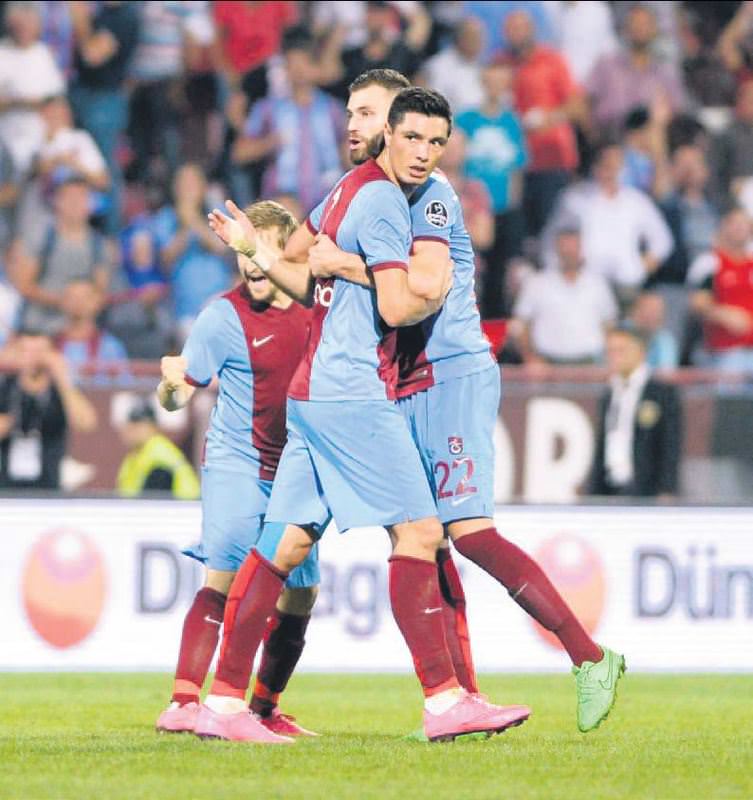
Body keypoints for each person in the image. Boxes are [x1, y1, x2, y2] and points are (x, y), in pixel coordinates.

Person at [261, 72, 624, 735]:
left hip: (452, 374)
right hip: (401, 381)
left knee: (467, 532)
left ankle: (589, 657)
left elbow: (421, 289)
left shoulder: (430, 199)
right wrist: (291, 255)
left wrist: (342, 264)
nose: (359, 125)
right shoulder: (362, 192)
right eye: (357, 114)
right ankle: (459, 697)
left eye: (370, 113)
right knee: (424, 541)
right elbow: (299, 255)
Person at [199, 87, 528, 744]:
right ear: (393, 133)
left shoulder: (342, 191)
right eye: (411, 136)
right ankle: (444, 700)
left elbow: (303, 274)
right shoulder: (381, 202)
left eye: (436, 143)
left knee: (284, 544)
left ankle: (226, 704)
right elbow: (401, 306)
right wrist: (422, 288)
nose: (423, 153)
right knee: (421, 533)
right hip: (352, 391)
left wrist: (261, 252)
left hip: (310, 392)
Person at [155, 200, 319, 739]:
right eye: (241, 249)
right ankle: (183, 702)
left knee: (301, 594)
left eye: (259, 247)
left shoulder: (318, 307)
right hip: (238, 460)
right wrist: (169, 387)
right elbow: (178, 397)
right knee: (223, 580)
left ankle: (265, 709)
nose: (249, 261)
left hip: (298, 465)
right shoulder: (221, 317)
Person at [232, 27, 345, 215]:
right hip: (284, 198)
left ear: (314, 67)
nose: (299, 71)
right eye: (292, 65)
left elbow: (349, 151)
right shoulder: (267, 108)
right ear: (284, 69)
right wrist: (269, 143)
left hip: (328, 198)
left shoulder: (333, 108)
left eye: (303, 64)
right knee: (286, 209)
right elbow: (239, 153)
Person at [543, 142, 674, 304]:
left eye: (617, 166)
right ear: (595, 166)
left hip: (626, 284)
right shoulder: (574, 199)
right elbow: (551, 241)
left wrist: (640, 267)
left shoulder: (636, 201)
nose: (612, 171)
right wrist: (560, 275)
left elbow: (662, 241)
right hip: (588, 282)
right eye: (607, 165)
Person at [496, 9, 583, 238]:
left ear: (532, 30)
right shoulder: (501, 63)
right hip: (514, 162)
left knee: (551, 227)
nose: (515, 34)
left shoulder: (553, 61)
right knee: (519, 231)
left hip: (551, 158)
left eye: (520, 28)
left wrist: (548, 117)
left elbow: (576, 107)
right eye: (510, 30)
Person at [456, 62, 527, 317]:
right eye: (491, 81)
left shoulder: (512, 122)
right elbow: (456, 160)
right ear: (483, 83)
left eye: (501, 82)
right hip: (473, 210)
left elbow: (517, 169)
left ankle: (494, 323)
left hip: (502, 207)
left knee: (500, 273)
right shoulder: (466, 120)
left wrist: (514, 210)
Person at [589, 324, 682, 499]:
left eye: (621, 350)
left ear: (640, 351)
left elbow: (670, 444)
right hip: (610, 487)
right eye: (610, 351)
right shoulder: (610, 392)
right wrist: (594, 489)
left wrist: (667, 489)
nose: (614, 357)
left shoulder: (660, 393)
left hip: (646, 489)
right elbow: (604, 442)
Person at [11, 177, 111, 336]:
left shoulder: (100, 245)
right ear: (58, 201)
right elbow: (23, 284)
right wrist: (62, 301)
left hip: (79, 333)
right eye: (69, 197)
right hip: (38, 329)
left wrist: (82, 305)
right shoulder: (39, 238)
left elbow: (100, 290)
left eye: (82, 197)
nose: (75, 203)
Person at [0, 329, 97, 490]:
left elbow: (86, 423)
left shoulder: (59, 391)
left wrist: (63, 378)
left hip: (49, 486)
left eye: (38, 351)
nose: (31, 358)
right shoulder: (7, 387)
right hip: (6, 487)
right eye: (25, 350)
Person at [512, 224, 617, 365]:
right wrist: (530, 357)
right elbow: (520, 325)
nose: (569, 252)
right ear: (556, 249)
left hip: (590, 363)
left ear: (581, 249)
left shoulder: (598, 283)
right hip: (548, 364)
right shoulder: (537, 283)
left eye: (573, 247)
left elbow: (609, 324)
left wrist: (609, 359)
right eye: (564, 247)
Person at [155, 163, 232, 342]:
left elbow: (221, 248)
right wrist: (184, 225)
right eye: (183, 183)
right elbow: (166, 258)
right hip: (185, 311)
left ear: (204, 187)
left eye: (192, 182)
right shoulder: (165, 218)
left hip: (221, 302)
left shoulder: (219, 213)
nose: (188, 188)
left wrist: (193, 220)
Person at [586, 4, 686, 135]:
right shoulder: (606, 65)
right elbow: (583, 100)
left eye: (645, 24)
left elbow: (677, 113)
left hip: (651, 138)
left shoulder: (665, 73)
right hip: (610, 136)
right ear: (626, 29)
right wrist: (592, 135)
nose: (639, 28)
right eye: (635, 23)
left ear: (655, 30)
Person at [0, 1, 65, 178]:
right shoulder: (2, 54)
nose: (25, 29)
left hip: (39, 139)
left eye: (30, 24)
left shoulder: (43, 54)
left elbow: (57, 100)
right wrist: (20, 102)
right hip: (6, 138)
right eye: (20, 24)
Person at [687, 207, 753, 373]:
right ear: (724, 225)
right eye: (736, 224)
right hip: (725, 352)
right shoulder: (710, 262)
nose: (740, 229)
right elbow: (697, 303)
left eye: (744, 225)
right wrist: (725, 314)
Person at [116, 399, 199, 500]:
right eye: (130, 426)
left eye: (138, 426)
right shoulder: (136, 455)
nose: (131, 431)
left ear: (152, 427)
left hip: (183, 507)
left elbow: (154, 500)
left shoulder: (159, 454)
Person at [53, 279, 129, 383]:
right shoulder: (51, 344)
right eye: (72, 297)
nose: (78, 302)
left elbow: (124, 385)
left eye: (85, 298)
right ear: (62, 302)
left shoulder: (110, 346)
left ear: (97, 303)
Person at [421, 17, 485, 114]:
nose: (477, 42)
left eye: (479, 37)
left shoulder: (483, 65)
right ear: (459, 38)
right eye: (472, 37)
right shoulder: (439, 66)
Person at [628, 291, 679, 370]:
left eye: (657, 311)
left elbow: (666, 371)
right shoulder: (620, 334)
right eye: (647, 309)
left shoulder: (666, 339)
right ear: (634, 312)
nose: (653, 315)